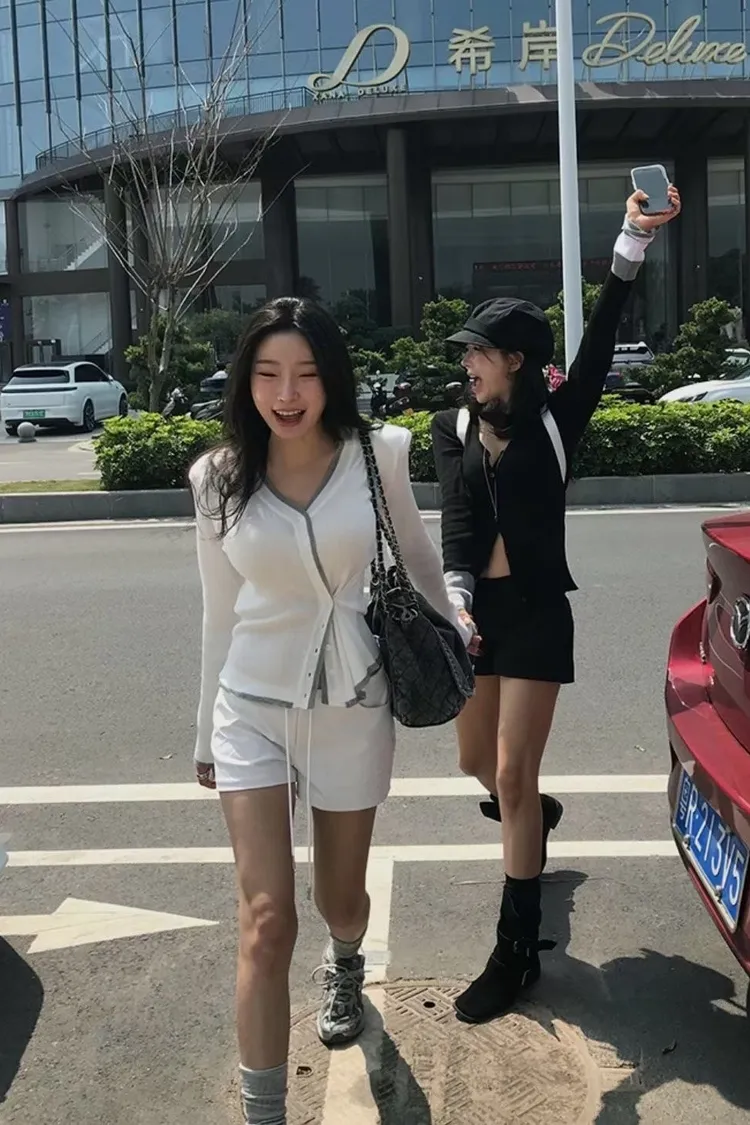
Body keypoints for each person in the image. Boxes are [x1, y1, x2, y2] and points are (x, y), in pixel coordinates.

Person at [188, 296, 470, 1125]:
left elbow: (416, 556)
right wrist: (204, 731)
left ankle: (346, 957)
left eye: (307, 374)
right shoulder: (216, 478)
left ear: (332, 379)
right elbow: (217, 611)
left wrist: (456, 631)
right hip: (251, 708)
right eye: (269, 373)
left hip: (355, 704)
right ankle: (266, 1113)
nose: (287, 393)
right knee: (264, 919)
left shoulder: (376, 455)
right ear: (245, 382)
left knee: (340, 901)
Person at [431, 186, 681, 1025]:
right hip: (479, 617)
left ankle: (516, 952)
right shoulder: (452, 428)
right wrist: (458, 602)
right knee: (478, 764)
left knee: (511, 771)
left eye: (478, 351)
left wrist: (631, 241)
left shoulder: (556, 420)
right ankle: (534, 817)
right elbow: (457, 525)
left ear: (514, 359)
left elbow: (601, 335)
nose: (466, 362)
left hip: (539, 613)